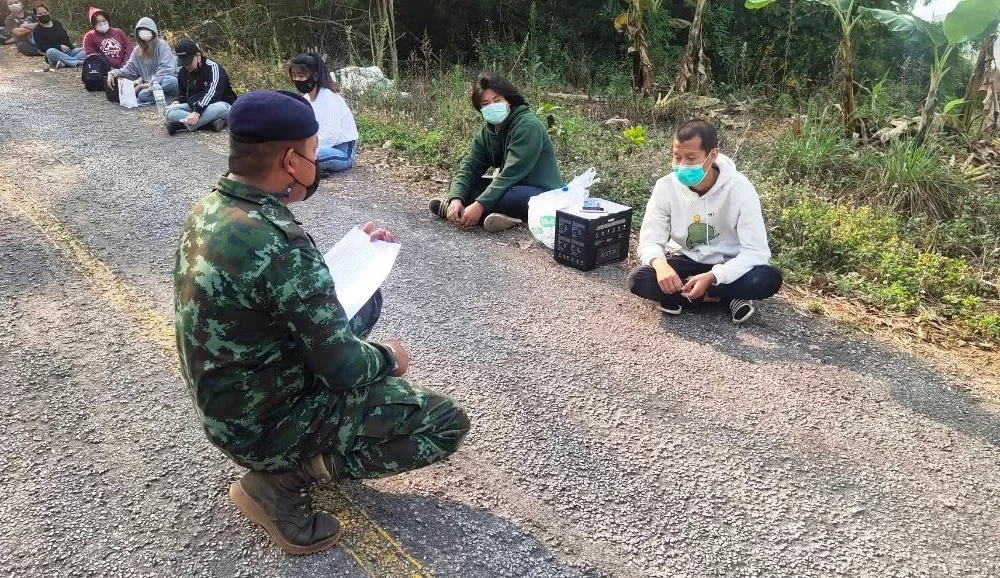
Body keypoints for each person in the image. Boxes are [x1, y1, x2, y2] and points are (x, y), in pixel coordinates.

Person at [173, 90, 470, 555]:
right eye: (313, 153)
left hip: (230, 405)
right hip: (262, 426)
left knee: (365, 304)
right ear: (291, 161)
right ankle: (283, 480)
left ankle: (295, 459)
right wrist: (390, 357)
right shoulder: (280, 244)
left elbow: (276, 290)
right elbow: (345, 369)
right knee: (445, 422)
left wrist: (358, 258)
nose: (316, 162)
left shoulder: (212, 209)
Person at [628, 119, 783, 324]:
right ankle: (724, 298)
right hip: (685, 260)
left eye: (691, 158)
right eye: (677, 157)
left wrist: (713, 276)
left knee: (768, 278)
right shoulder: (666, 186)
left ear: (712, 155)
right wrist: (661, 265)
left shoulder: (740, 189)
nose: (681, 165)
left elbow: (757, 251)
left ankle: (684, 295)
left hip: (727, 263)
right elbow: (649, 240)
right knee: (639, 279)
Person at [428, 72, 563, 233]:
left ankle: (472, 214)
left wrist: (479, 205)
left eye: (497, 101)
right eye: (485, 104)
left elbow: (511, 174)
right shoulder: (488, 132)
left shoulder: (528, 125)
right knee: (461, 186)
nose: (492, 107)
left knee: (509, 197)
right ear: (480, 108)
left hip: (541, 193)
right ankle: (481, 214)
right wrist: (456, 198)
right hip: (510, 186)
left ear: (509, 101)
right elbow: (469, 167)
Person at [288, 53, 359, 176]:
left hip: (341, 151)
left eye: (301, 76)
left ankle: (306, 170)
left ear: (315, 76)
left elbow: (330, 136)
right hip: (316, 146)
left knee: (304, 157)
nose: (297, 80)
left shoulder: (329, 97)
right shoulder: (306, 99)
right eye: (294, 76)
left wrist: (305, 150)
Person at [164, 38, 237, 135]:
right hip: (195, 105)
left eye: (189, 62)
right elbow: (182, 93)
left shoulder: (212, 67)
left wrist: (197, 112)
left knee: (217, 108)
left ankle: (181, 124)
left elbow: (212, 93)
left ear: (198, 56)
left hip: (220, 104)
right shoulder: (183, 72)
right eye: (184, 63)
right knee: (168, 112)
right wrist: (176, 102)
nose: (187, 66)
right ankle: (209, 123)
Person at [107, 17, 177, 105]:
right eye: (142, 30)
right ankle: (172, 98)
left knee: (170, 81)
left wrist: (145, 85)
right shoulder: (137, 50)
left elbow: (166, 69)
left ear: (154, 32)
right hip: (150, 88)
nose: (145, 33)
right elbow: (129, 69)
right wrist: (113, 73)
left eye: (148, 30)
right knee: (142, 95)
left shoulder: (162, 45)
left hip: (164, 82)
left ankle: (172, 95)